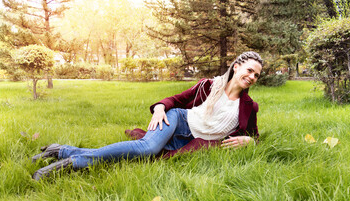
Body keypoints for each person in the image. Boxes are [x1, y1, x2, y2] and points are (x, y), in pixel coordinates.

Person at [32, 51, 263, 181]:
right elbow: (177, 100)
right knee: (147, 149)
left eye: (256, 75)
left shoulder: (248, 107)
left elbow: (254, 136)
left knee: (144, 156)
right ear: (236, 67)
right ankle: (72, 163)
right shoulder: (209, 86)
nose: (252, 76)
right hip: (177, 119)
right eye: (249, 70)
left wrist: (250, 141)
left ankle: (60, 150)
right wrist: (161, 108)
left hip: (187, 139)